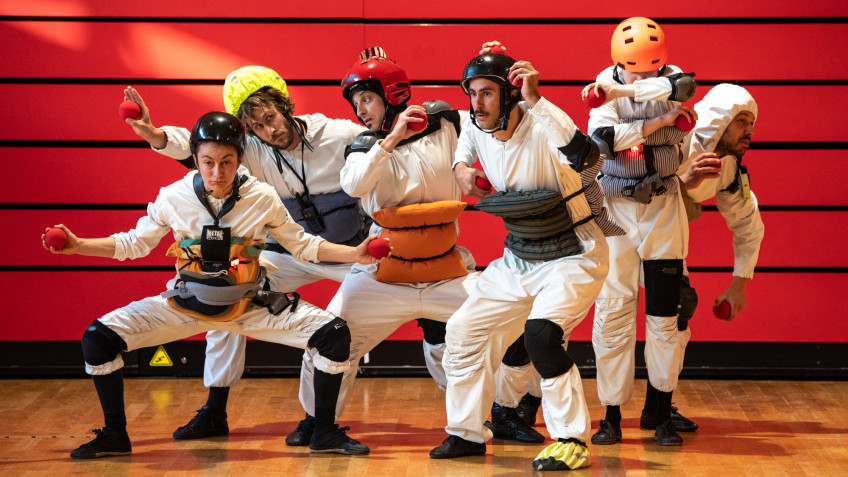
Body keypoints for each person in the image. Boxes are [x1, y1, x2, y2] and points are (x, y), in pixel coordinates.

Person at [45, 112, 377, 458]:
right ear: (195, 158)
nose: (217, 173)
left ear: (239, 159)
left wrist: (356, 253)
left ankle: (323, 432)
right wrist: (78, 244)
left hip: (250, 307)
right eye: (207, 162)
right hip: (184, 306)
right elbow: (134, 244)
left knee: (334, 334)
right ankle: (115, 434)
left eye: (227, 162)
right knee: (97, 340)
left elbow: (303, 245)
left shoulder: (261, 196)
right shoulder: (173, 196)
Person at [295, 46, 543, 444]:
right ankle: (317, 421)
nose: (361, 110)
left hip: (446, 268)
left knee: (516, 324)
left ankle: (505, 411)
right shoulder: (365, 146)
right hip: (382, 275)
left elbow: (498, 122)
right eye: (356, 102)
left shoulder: (444, 119)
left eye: (367, 98)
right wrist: (390, 139)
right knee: (331, 334)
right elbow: (354, 185)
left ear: (392, 93)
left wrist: (505, 78)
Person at [123, 66, 370, 444]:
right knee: (226, 292)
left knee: (349, 323)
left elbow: (386, 144)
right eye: (256, 126)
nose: (269, 131)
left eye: (270, 117)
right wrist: (156, 136)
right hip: (288, 254)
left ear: (284, 105)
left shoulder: (337, 134)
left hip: (348, 253)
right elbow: (196, 145)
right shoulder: (251, 150)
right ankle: (214, 410)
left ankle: (316, 419)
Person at [431, 48, 622, 471]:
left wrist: (535, 98)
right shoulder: (478, 125)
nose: (477, 103)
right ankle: (465, 433)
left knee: (540, 335)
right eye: (472, 93)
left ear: (511, 95)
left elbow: (585, 156)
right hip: (518, 256)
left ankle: (571, 439)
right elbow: (466, 140)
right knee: (463, 331)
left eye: (487, 94)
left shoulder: (543, 127)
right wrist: (461, 168)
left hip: (574, 253)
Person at [581, 16, 698, 446]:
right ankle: (611, 415)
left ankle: (662, 412)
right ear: (618, 61)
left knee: (667, 316)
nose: (643, 75)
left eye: (651, 69)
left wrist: (635, 102)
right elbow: (603, 139)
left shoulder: (676, 81)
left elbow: (680, 100)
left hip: (663, 207)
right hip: (615, 210)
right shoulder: (600, 86)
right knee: (612, 312)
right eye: (633, 69)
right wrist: (659, 124)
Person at [678, 83, 763, 320]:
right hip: (619, 232)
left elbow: (749, 226)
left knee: (679, 303)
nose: (750, 132)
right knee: (617, 309)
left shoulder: (728, 170)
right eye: (741, 121)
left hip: (663, 237)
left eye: (752, 123)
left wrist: (738, 287)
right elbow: (627, 188)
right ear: (718, 120)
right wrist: (683, 182)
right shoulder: (674, 141)